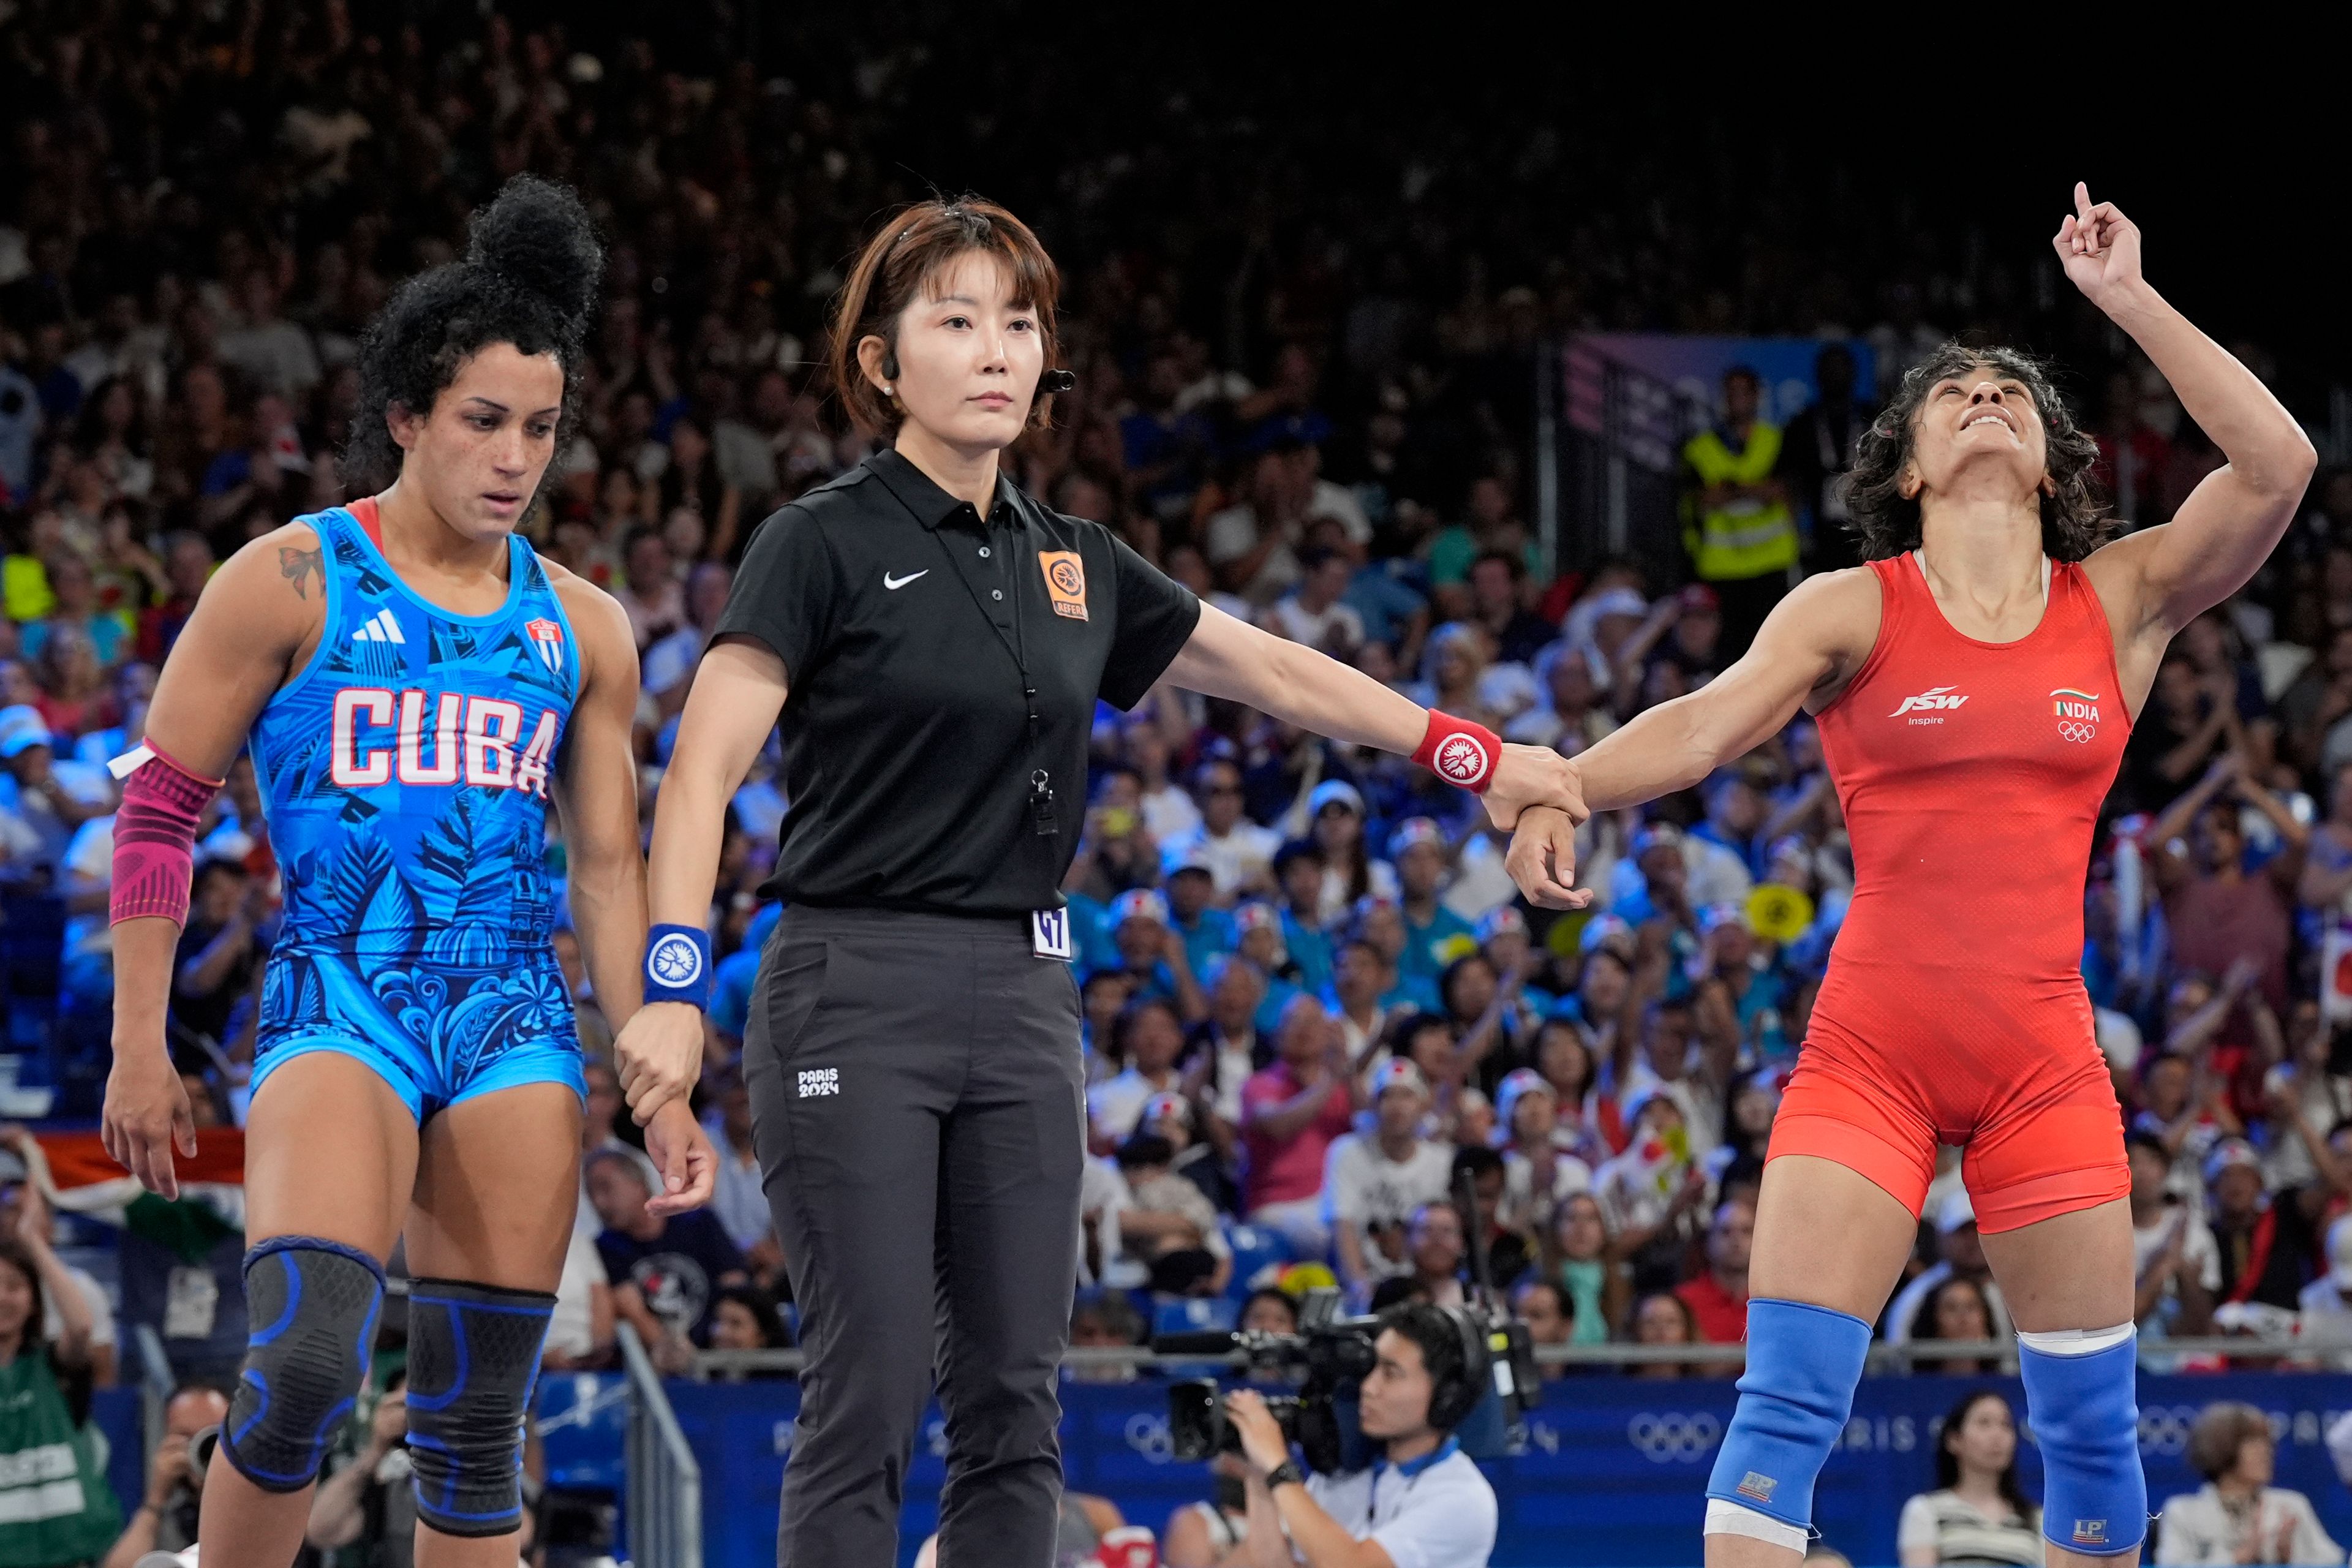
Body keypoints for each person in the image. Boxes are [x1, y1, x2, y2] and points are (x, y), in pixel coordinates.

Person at [607, 195, 1580, 1568]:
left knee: (1016, 1398)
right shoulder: (815, 541)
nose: (998, 348)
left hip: (1023, 993)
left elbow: (1276, 668)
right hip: (852, 987)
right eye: (956, 319)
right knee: (870, 1389)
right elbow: (700, 768)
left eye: (1019, 321)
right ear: (883, 363)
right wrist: (669, 985)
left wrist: (1469, 751)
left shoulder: (1074, 558)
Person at [1509, 186, 2318, 1567]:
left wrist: (2126, 299)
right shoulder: (1847, 604)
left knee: (2094, 1442)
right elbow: (1704, 725)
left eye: (2013, 390)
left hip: (2043, 1067)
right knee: (1783, 1417)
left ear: (2055, 458)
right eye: (1956, 395)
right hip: (1870, 1055)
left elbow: (2277, 467)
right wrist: (1572, 778)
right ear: (1907, 466)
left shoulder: (2117, 599)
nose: (1987, 397)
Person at [98, 177, 718, 1568]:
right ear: (405, 417)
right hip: (339, 993)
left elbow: (611, 868)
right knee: (309, 1360)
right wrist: (140, 1042)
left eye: (541, 429)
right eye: (483, 421)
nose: (514, 456)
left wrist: (656, 1061)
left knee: (474, 1419)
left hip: (512, 1016)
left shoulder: (585, 625)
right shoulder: (291, 577)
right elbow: (157, 813)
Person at [1226, 1302, 1499, 1568]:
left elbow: (1351, 1564)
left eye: (1391, 1374)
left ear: (1446, 1396)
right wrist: (1259, 1475)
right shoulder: (1345, 1475)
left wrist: (1278, 1467)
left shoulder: (1463, 1498)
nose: (1368, 1387)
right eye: (1371, 1369)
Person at [0, 1230, 121, 1566]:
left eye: (14, 1286)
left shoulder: (53, 1366)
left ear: (34, 1300)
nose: (2, 1297)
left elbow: (82, 1327)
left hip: (68, 1554)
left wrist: (33, 1242)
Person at [1682, 366, 1797, 660]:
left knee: (1772, 649)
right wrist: (1755, 488)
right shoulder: (1700, 448)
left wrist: (1730, 488)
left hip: (1770, 563)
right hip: (1722, 566)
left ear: (1758, 396)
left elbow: (1781, 492)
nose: (1738, 399)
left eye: (1744, 392)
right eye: (1731, 393)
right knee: (1727, 653)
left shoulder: (1777, 440)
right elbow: (1704, 500)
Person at [2153, 1402, 2343, 1566]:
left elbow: (2334, 1561)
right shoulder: (2183, 1512)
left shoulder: (2290, 1505)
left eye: (2267, 1443)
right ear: (2219, 1448)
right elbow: (2169, 1565)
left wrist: (2290, 1560)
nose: (2266, 1452)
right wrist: (2238, 1558)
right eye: (2253, 1444)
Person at [1896, 1390, 2043, 1567]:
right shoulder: (1925, 1510)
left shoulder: (2035, 1518)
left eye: (2006, 1425)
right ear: (1954, 1440)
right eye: (1984, 1423)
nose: (1997, 1435)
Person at [101, 1383, 228, 1568]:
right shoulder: (167, 1509)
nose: (201, 1447)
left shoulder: (255, 1493)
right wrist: (157, 1497)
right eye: (186, 1437)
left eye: (211, 1435)